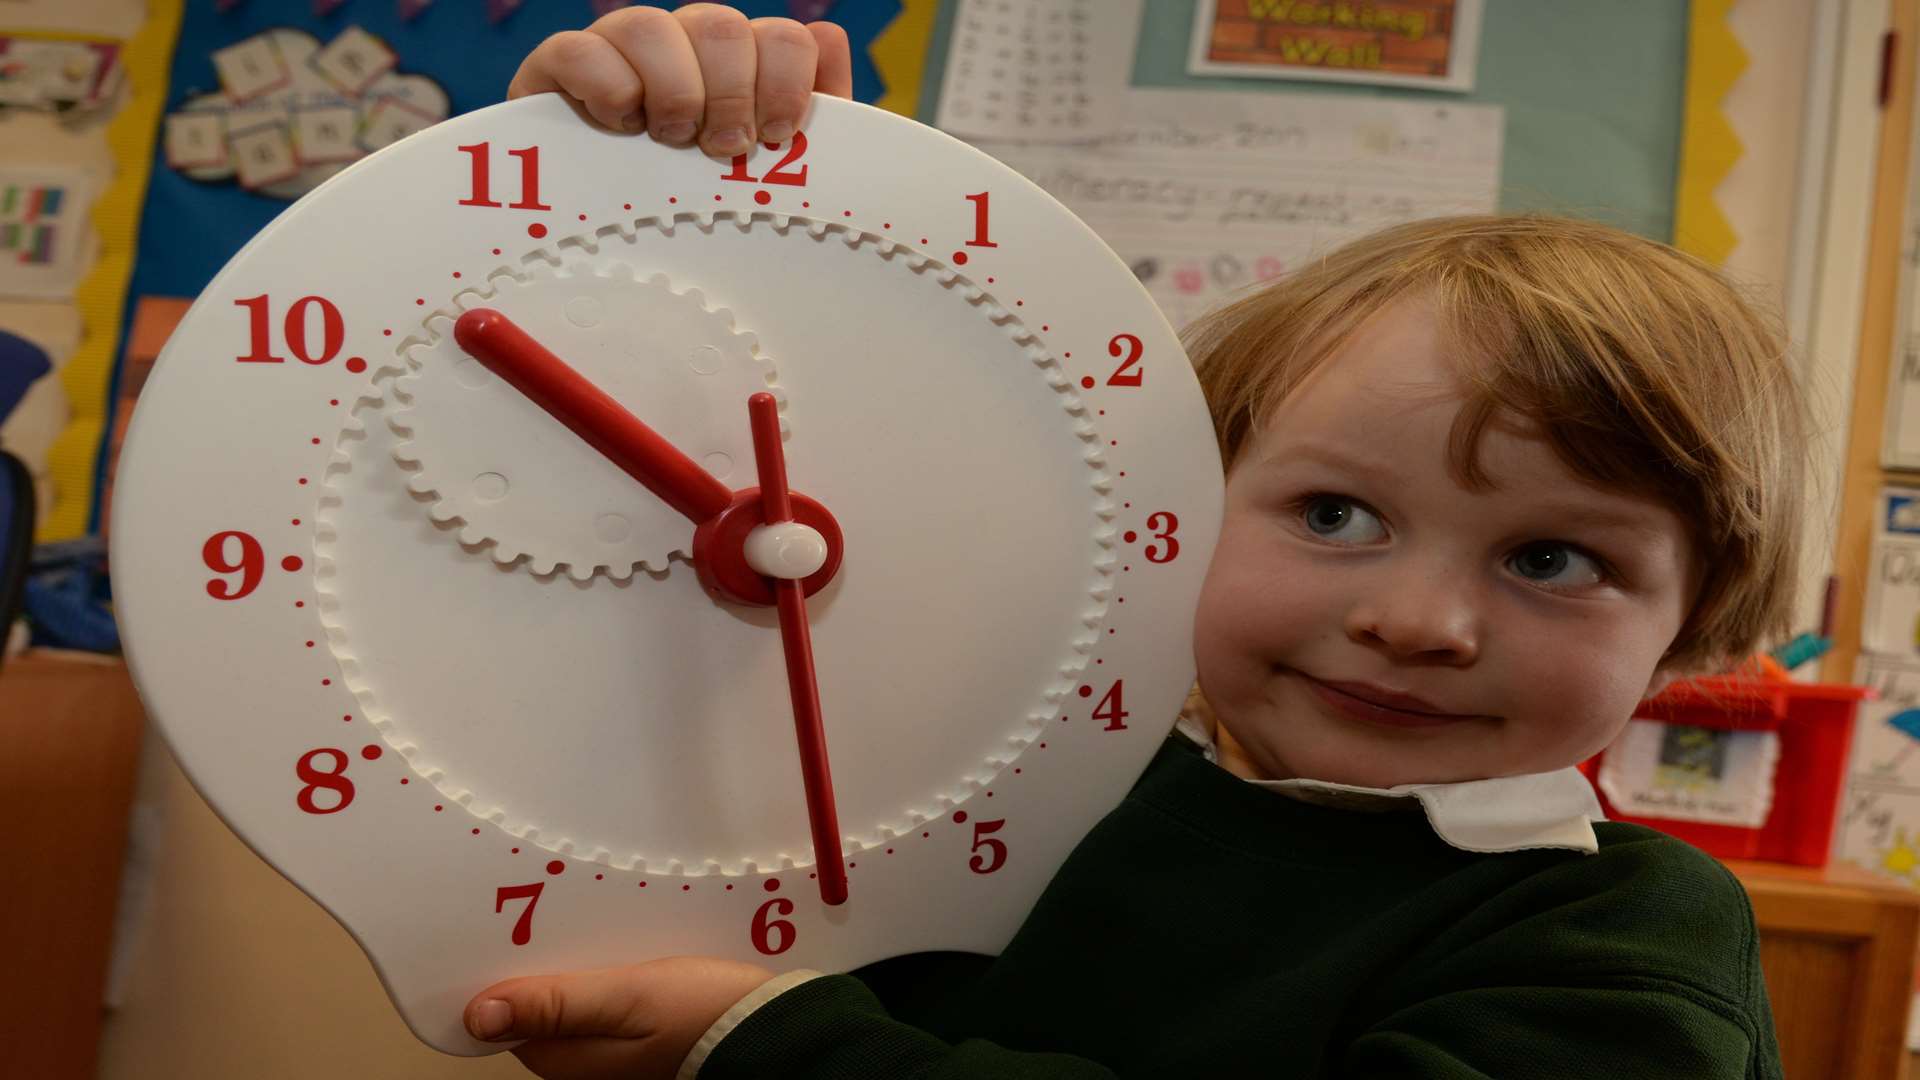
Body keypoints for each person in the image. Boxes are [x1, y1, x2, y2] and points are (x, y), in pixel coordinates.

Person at [462, 7, 1798, 1077]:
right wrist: (601, 174)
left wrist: (768, 1053)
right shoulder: (1018, 768)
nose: (1417, 620)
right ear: (1187, 506)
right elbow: (660, 546)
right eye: (1336, 516)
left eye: (1553, 560)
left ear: (1697, 621)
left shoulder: (1620, 934)